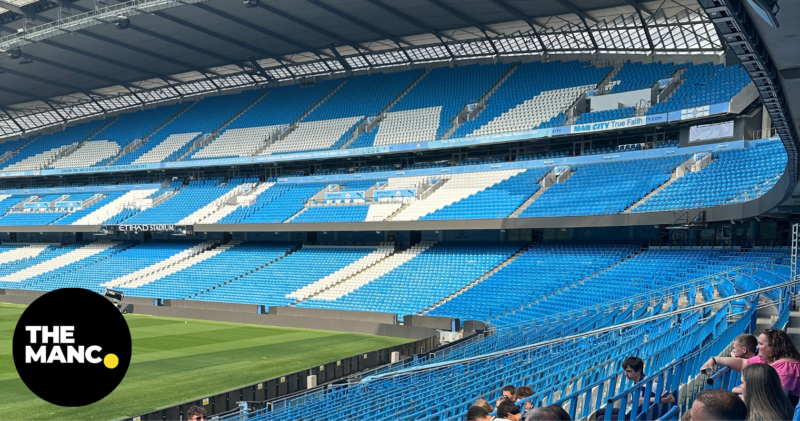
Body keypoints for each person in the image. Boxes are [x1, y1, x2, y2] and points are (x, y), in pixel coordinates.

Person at [700, 328, 800, 405]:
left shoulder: (786, 367)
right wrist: (714, 360)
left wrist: (741, 389)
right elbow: (742, 363)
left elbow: (777, 398)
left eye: (761, 344)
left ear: (774, 346)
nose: (757, 346)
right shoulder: (767, 358)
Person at [595, 356, 675, 420]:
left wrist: (647, 399)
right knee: (599, 412)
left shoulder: (650, 384)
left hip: (637, 416)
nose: (625, 374)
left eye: (629, 371)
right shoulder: (635, 382)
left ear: (639, 371)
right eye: (625, 371)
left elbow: (671, 398)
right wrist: (631, 406)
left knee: (600, 419)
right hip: (631, 410)